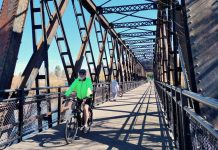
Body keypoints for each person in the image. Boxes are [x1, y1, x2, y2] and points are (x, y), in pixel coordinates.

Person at [64, 69, 93, 133]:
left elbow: (89, 88)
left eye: (82, 74)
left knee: (85, 108)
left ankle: (85, 125)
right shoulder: (77, 80)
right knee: (77, 110)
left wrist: (87, 96)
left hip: (87, 97)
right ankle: (79, 125)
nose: (81, 75)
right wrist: (66, 94)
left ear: (85, 75)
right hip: (79, 98)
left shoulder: (88, 80)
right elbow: (71, 87)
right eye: (80, 74)